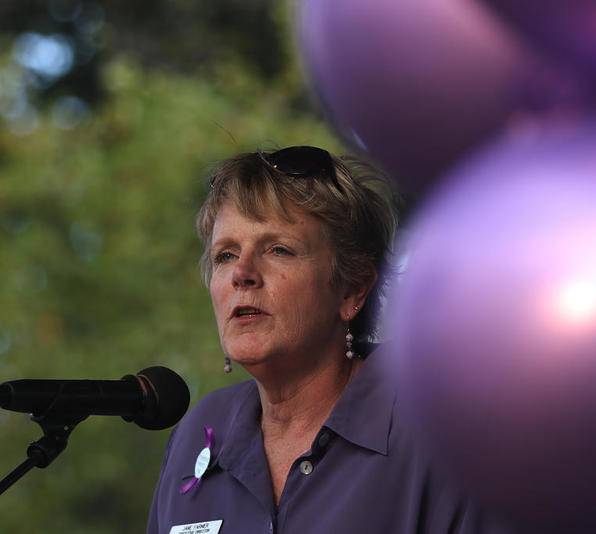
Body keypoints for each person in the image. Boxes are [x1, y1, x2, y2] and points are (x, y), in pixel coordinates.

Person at [146, 146, 506, 533]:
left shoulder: (439, 426)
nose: (242, 274)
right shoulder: (198, 433)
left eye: (278, 250)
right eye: (226, 255)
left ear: (353, 288)